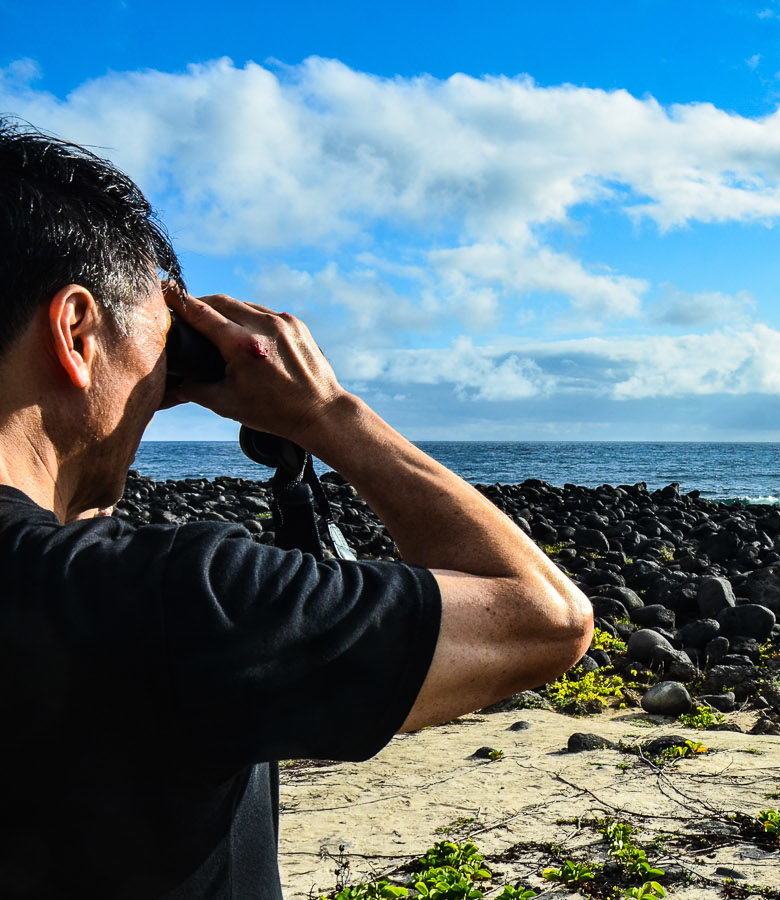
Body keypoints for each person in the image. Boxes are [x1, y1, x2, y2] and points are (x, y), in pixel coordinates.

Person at [0, 119, 593, 897]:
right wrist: (325, 409)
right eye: (159, 351)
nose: (158, 395)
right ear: (76, 332)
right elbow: (546, 620)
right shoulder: (171, 601)